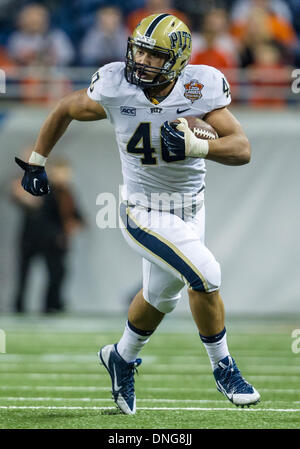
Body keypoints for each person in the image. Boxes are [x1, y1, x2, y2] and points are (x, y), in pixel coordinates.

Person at [15, 13, 260, 414]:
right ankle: (224, 368)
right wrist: (37, 162)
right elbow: (65, 107)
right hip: (144, 209)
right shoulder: (116, 86)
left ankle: (121, 357)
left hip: (191, 209)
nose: (141, 61)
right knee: (206, 273)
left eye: (153, 54)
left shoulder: (200, 86)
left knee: (160, 297)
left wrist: (198, 148)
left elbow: (242, 148)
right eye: (139, 50)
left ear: (178, 60)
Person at [12, 155, 85, 313]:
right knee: (24, 275)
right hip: (35, 239)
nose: (65, 175)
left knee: (57, 274)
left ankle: (51, 305)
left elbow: (76, 215)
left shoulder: (67, 193)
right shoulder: (44, 188)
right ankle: (19, 307)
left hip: (55, 242)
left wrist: (76, 223)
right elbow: (39, 214)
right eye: (61, 172)